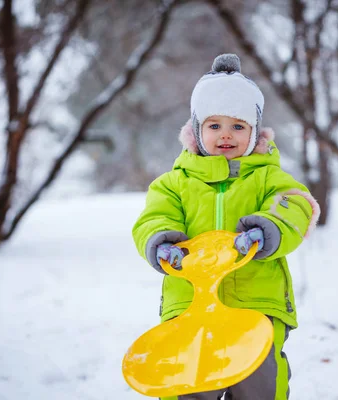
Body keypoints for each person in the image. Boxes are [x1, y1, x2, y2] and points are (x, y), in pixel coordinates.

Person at [132, 53, 320, 400]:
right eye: (214, 125)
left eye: (238, 126)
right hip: (190, 305)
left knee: (259, 384)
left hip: (256, 304)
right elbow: (153, 218)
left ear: (254, 131)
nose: (226, 136)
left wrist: (268, 228)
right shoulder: (174, 183)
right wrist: (162, 243)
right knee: (187, 383)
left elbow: (296, 206)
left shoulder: (269, 177)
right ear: (197, 130)